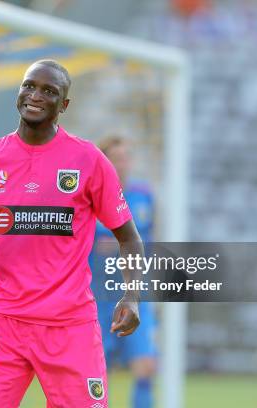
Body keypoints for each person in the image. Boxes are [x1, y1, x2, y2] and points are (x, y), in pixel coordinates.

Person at [0, 59, 145, 407]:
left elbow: (129, 237)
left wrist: (132, 295)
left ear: (64, 105)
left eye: (49, 91)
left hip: (70, 327)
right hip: (3, 323)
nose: (35, 95)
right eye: (29, 85)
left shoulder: (88, 161)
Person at [91, 135, 158, 408]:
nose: (122, 164)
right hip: (98, 299)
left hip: (134, 295)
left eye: (125, 158)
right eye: (115, 159)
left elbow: (152, 239)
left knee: (146, 367)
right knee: (94, 373)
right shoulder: (89, 199)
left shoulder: (143, 196)